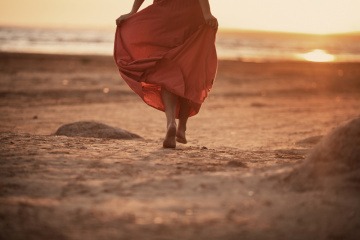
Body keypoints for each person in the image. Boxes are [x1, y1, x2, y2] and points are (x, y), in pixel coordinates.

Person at [114, 0, 218, 148]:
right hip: (190, 16)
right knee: (190, 70)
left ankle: (171, 123)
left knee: (166, 71)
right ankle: (182, 127)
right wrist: (207, 13)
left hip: (164, 15)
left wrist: (133, 12)